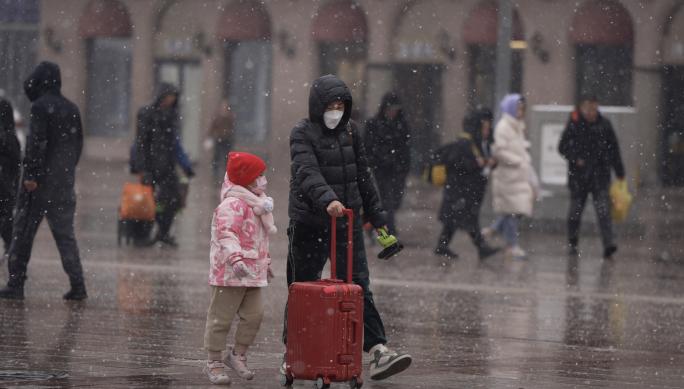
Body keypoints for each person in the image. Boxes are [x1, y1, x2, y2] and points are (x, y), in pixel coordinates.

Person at [282, 75, 412, 381]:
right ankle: (294, 352)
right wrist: (328, 199)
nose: (336, 112)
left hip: (346, 223)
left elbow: (363, 176)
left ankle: (378, 351)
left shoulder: (352, 131)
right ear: (318, 107)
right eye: (331, 106)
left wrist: (378, 216)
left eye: (341, 106)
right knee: (302, 288)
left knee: (356, 287)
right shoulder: (301, 133)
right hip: (309, 222)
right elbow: (306, 171)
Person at [0, 61, 86, 300]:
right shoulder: (72, 108)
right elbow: (77, 144)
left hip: (38, 186)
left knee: (23, 233)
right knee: (66, 236)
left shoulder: (40, 107)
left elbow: (37, 143)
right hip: (63, 184)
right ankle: (78, 284)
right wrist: (66, 170)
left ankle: (16, 283)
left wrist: (31, 176)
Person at [202, 151, 276, 385]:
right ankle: (213, 362)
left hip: (252, 273)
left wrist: (266, 263)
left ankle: (237, 355)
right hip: (229, 273)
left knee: (255, 315)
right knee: (220, 319)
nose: (263, 180)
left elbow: (258, 239)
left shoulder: (256, 204)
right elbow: (226, 233)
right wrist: (234, 258)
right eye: (259, 175)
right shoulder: (233, 204)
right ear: (246, 179)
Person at [558, 95, 625, 258]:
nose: (591, 112)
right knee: (575, 211)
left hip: (600, 176)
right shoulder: (574, 124)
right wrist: (576, 159)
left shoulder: (605, 125)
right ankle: (572, 244)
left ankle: (608, 244)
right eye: (587, 108)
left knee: (603, 212)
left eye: (594, 108)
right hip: (579, 177)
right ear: (581, 108)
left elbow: (614, 149)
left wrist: (620, 172)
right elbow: (562, 146)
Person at [134, 82, 195, 247]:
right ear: (162, 95)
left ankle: (163, 233)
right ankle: (142, 235)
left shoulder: (171, 115)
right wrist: (141, 167)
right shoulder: (146, 113)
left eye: (175, 96)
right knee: (146, 201)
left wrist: (185, 165)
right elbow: (140, 143)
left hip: (167, 165)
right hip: (150, 165)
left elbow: (174, 143)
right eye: (170, 95)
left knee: (174, 197)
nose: (172, 99)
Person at [434, 108, 499, 260]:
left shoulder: (484, 144)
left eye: (488, 128)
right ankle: (482, 248)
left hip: (472, 189)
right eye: (484, 128)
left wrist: (492, 163)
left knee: (454, 219)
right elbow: (454, 162)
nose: (486, 131)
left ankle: (442, 245)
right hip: (461, 189)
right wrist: (475, 163)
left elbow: (485, 162)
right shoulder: (465, 142)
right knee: (470, 219)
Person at [482, 94, 534, 260]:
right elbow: (499, 151)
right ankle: (511, 245)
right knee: (512, 211)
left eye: (522, 109)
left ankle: (491, 232)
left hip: (515, 177)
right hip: (508, 176)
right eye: (518, 108)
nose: (520, 112)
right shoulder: (504, 127)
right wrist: (518, 161)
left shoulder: (516, 126)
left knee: (515, 211)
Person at [363, 92, 412, 236]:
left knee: (395, 202)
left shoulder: (403, 125)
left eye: (395, 109)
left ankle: (373, 224)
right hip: (381, 169)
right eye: (389, 108)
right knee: (388, 202)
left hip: (398, 169)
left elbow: (406, 147)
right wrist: (375, 161)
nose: (392, 112)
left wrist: (404, 166)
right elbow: (368, 146)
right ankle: (391, 234)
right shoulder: (373, 124)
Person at [0, 98, 21, 252]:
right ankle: (12, 249)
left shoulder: (7, 137)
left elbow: (14, 163)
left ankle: (12, 249)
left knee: (6, 220)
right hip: (7, 187)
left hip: (5, 187)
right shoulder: (10, 136)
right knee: (6, 219)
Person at [206, 98, 235, 184]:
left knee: (227, 156)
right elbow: (212, 126)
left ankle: (227, 173)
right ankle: (215, 173)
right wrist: (209, 136)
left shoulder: (230, 115)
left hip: (227, 138)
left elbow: (232, 123)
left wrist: (226, 116)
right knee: (217, 156)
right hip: (219, 138)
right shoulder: (217, 115)